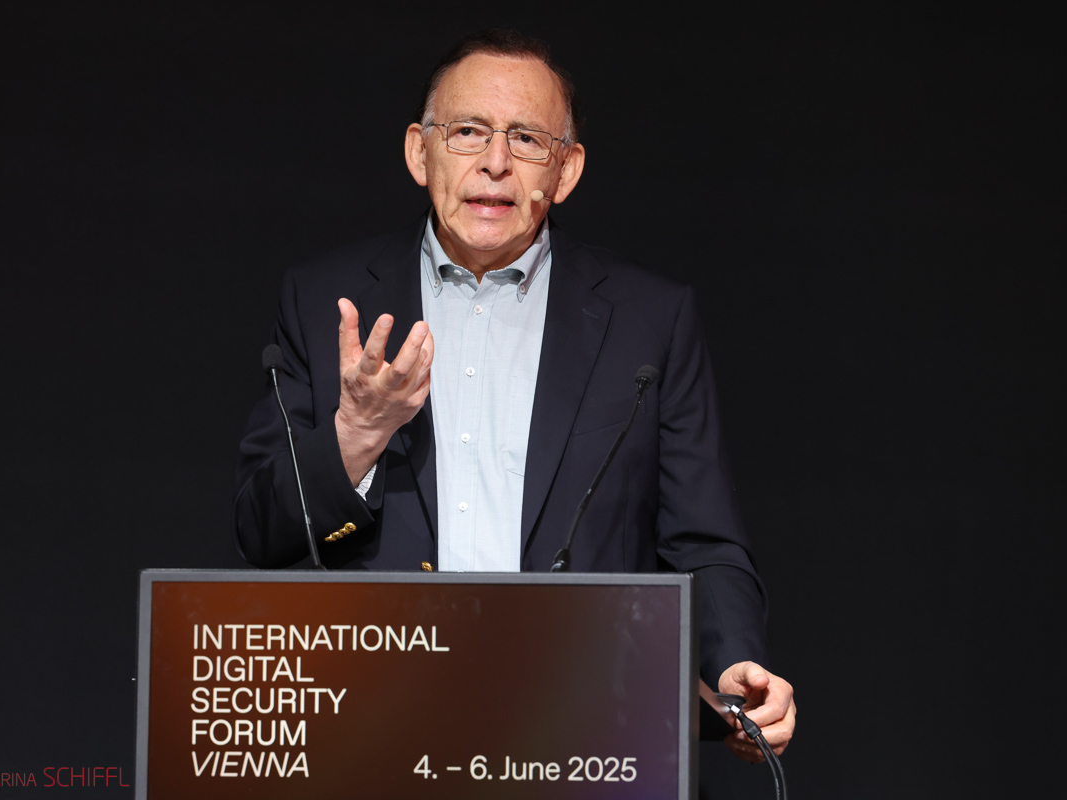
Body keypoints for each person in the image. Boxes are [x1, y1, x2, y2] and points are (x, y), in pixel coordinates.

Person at [233, 29, 795, 763]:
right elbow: (261, 530)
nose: (495, 162)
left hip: (581, 732)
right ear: (419, 152)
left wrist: (733, 663)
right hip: (380, 731)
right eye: (468, 131)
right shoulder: (324, 300)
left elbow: (703, 542)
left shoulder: (648, 321)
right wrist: (358, 434)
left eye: (527, 139)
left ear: (566, 170)